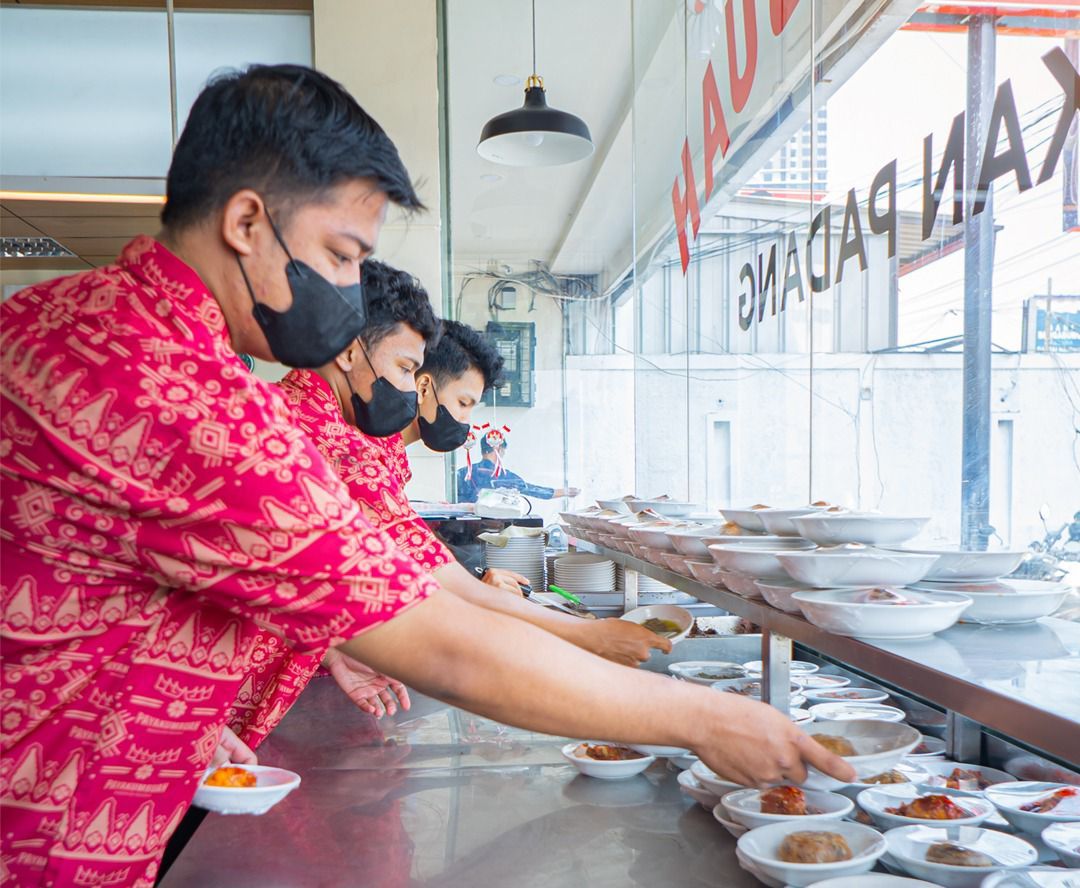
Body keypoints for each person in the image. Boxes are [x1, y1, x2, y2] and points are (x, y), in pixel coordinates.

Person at [0, 63, 852, 886]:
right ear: (247, 223)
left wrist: (181, 722)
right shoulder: (172, 386)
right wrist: (707, 718)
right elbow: (440, 642)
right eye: (339, 255)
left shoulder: (67, 317)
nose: (346, 290)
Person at [228, 267, 672, 746]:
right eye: (403, 370)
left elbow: (293, 572)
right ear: (350, 349)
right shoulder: (329, 435)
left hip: (243, 689)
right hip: (220, 697)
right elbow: (428, 586)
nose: (408, 386)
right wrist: (588, 637)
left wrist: (332, 646)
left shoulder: (296, 415)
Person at [456, 433, 580, 503]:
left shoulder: (462, 473)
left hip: (462, 531)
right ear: (498, 450)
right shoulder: (503, 477)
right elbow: (532, 490)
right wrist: (564, 492)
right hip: (493, 529)